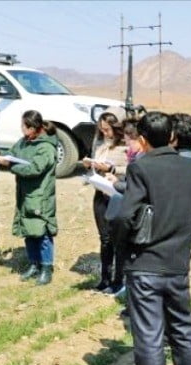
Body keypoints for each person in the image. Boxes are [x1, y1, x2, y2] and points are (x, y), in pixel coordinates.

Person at [112, 112, 191, 365]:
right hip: (177, 262)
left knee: (148, 332)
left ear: (142, 140)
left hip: (145, 263)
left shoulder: (141, 168)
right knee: (184, 327)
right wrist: (182, 233)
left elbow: (124, 215)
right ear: (172, 137)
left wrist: (126, 244)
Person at [0, 110, 58, 286]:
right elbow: (13, 153)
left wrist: (10, 165)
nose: (21, 129)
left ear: (34, 128)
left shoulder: (46, 147)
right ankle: (34, 264)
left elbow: (35, 169)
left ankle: (46, 268)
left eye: (24, 126)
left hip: (40, 196)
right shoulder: (24, 142)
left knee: (42, 232)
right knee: (29, 230)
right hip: (25, 195)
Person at [82, 108, 128, 294]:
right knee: (105, 239)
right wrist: (91, 165)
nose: (105, 133)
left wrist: (112, 168)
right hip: (101, 195)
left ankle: (119, 280)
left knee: (119, 241)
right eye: (102, 129)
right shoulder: (101, 145)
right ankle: (105, 278)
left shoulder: (127, 146)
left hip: (118, 197)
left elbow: (133, 169)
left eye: (108, 129)